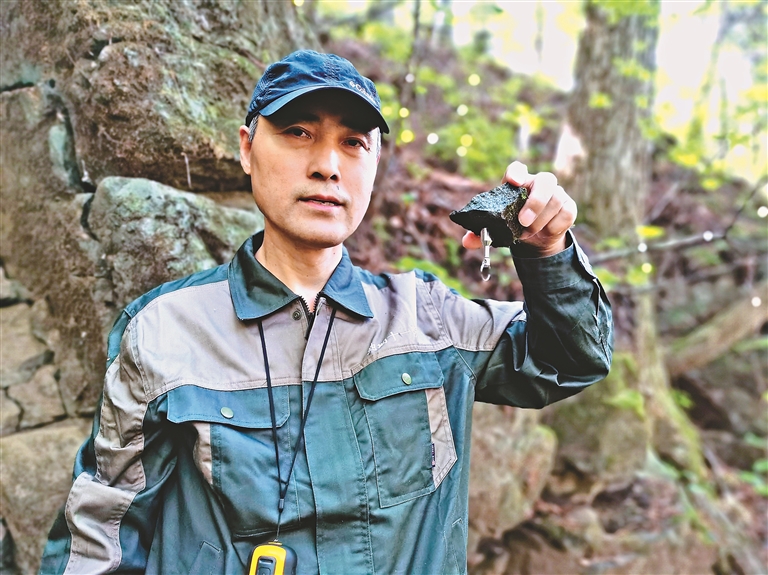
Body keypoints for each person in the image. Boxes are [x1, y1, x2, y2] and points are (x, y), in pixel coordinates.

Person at [40, 50, 612, 575]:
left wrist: (548, 251)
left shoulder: (427, 320)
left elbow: (569, 359)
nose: (327, 166)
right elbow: (99, 534)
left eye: (354, 142)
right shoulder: (166, 331)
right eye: (298, 132)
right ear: (247, 148)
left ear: (375, 162)